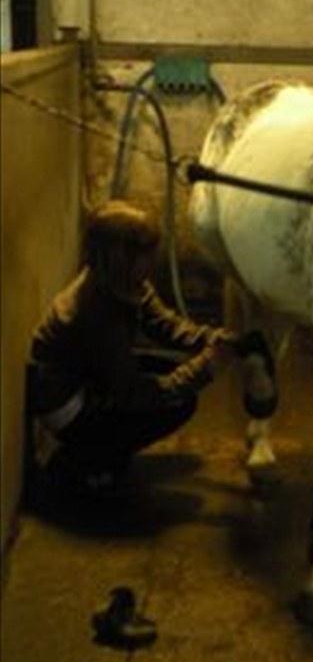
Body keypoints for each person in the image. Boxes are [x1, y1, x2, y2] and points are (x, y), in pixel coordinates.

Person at [26, 200, 276, 503]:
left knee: (167, 373)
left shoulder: (120, 281)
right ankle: (86, 458)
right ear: (121, 257)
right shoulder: (97, 313)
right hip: (68, 409)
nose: (152, 262)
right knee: (176, 401)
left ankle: (99, 446)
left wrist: (222, 339)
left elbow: (166, 326)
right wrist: (206, 368)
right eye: (145, 256)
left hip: (84, 379)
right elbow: (134, 395)